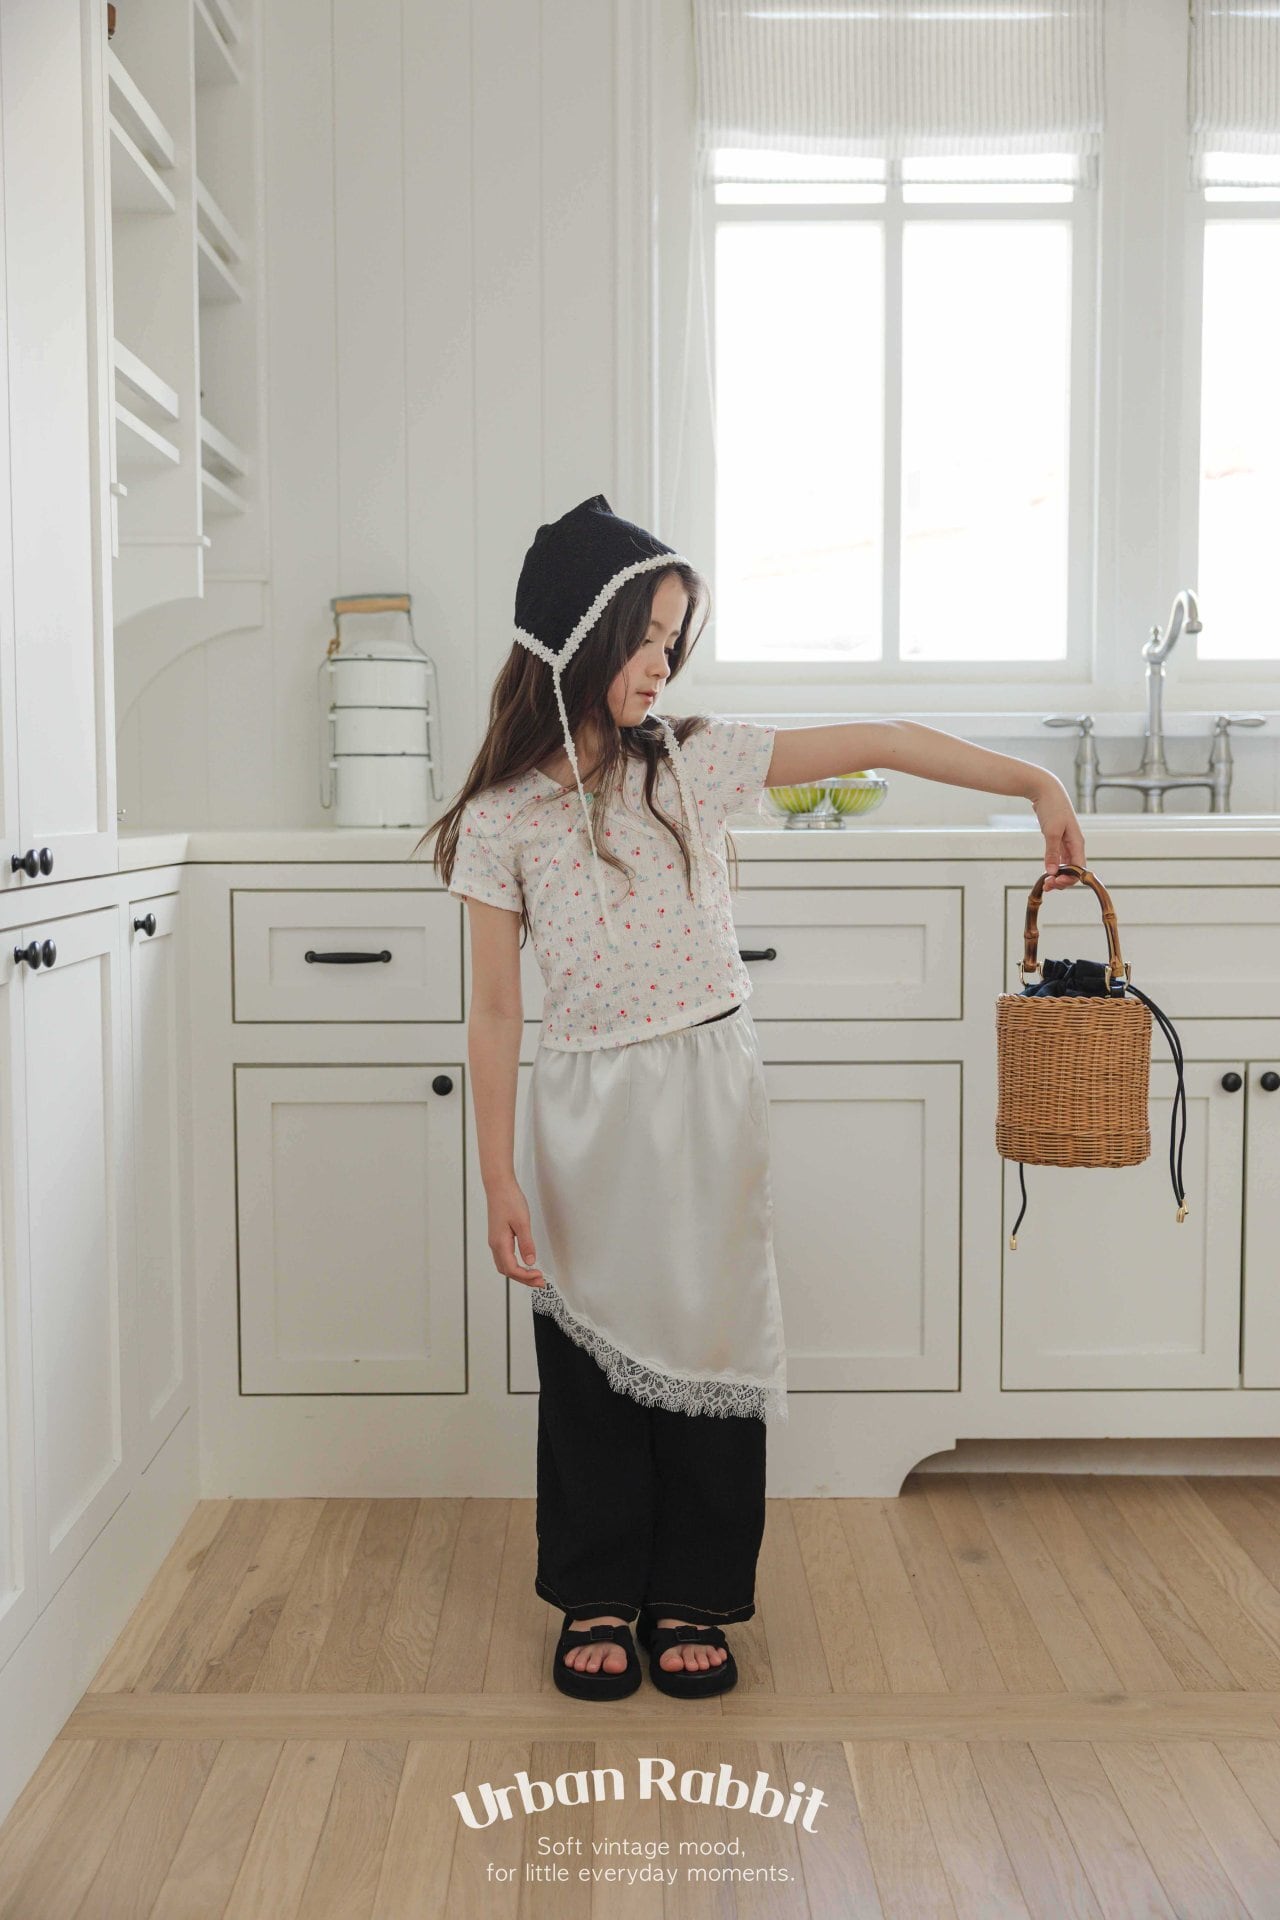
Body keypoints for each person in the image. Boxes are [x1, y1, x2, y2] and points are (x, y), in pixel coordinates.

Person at [418, 493, 1085, 1702]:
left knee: (714, 1335)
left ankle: (694, 1590)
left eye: (674, 639)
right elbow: (496, 1011)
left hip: (708, 1094)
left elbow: (882, 738)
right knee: (589, 1356)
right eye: (644, 637)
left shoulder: (695, 759)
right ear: (575, 631)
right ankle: (595, 1590)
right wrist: (497, 1174)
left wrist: (1032, 780)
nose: (663, 662)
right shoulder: (501, 820)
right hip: (584, 1116)